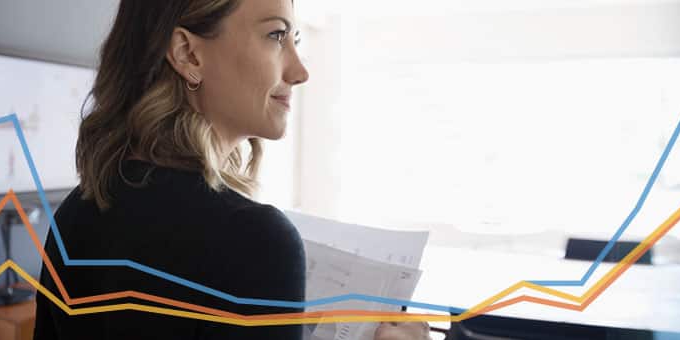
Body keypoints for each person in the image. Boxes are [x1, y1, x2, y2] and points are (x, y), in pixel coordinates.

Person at [33, 1, 432, 339]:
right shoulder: (254, 239)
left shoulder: (76, 214)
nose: (299, 71)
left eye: (296, 41)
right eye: (276, 36)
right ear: (189, 55)